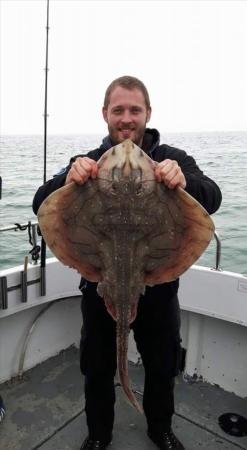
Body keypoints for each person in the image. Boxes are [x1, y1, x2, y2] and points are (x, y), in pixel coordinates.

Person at [33, 76, 222, 450]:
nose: (126, 118)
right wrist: (66, 180)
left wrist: (183, 180)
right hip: (99, 283)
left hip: (156, 285)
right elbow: (41, 203)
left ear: (147, 114)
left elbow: (211, 198)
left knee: (162, 365)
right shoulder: (84, 162)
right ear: (105, 114)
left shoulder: (174, 158)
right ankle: (99, 434)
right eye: (118, 110)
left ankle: (160, 429)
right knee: (97, 368)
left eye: (134, 110)